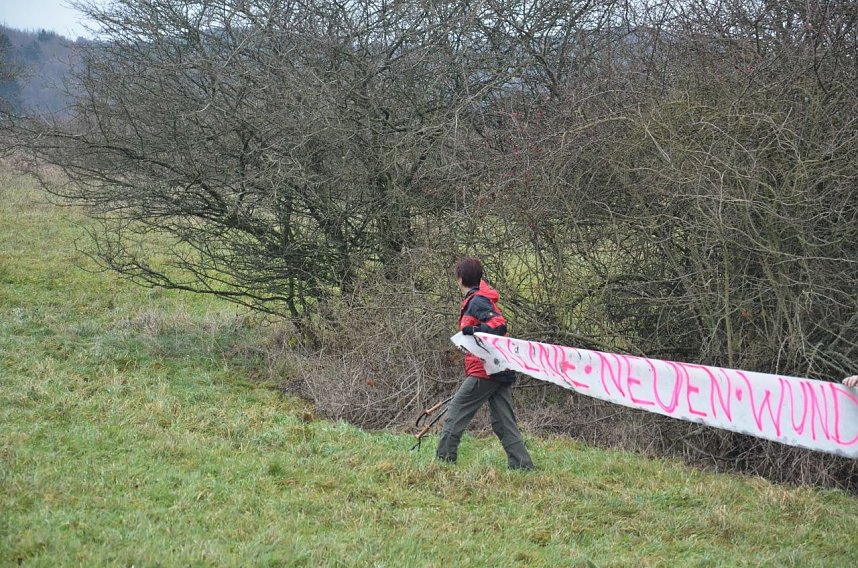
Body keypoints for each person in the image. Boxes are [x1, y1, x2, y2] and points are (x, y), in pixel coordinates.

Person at [436, 257, 534, 470]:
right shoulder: (480, 298)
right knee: (503, 422)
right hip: (499, 367)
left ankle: (443, 464)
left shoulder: (477, 301)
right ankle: (522, 466)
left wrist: (473, 331)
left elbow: (498, 327)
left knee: (454, 413)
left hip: (485, 370)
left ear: (460, 279)